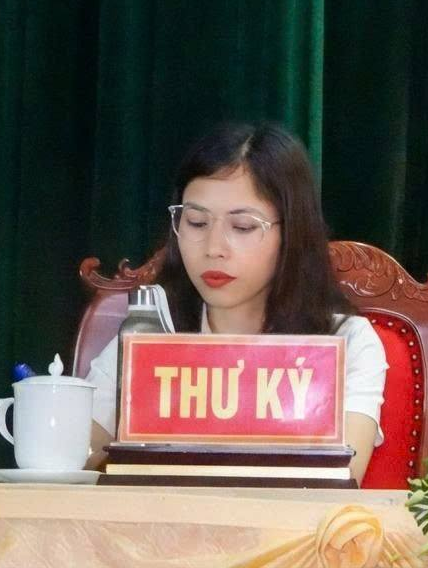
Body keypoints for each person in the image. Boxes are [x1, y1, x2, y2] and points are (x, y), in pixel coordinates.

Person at [86, 122, 386, 483]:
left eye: (242, 227)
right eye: (196, 222)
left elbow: (340, 478)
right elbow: (74, 456)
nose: (214, 248)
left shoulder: (346, 341)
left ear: (292, 233)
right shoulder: (150, 330)